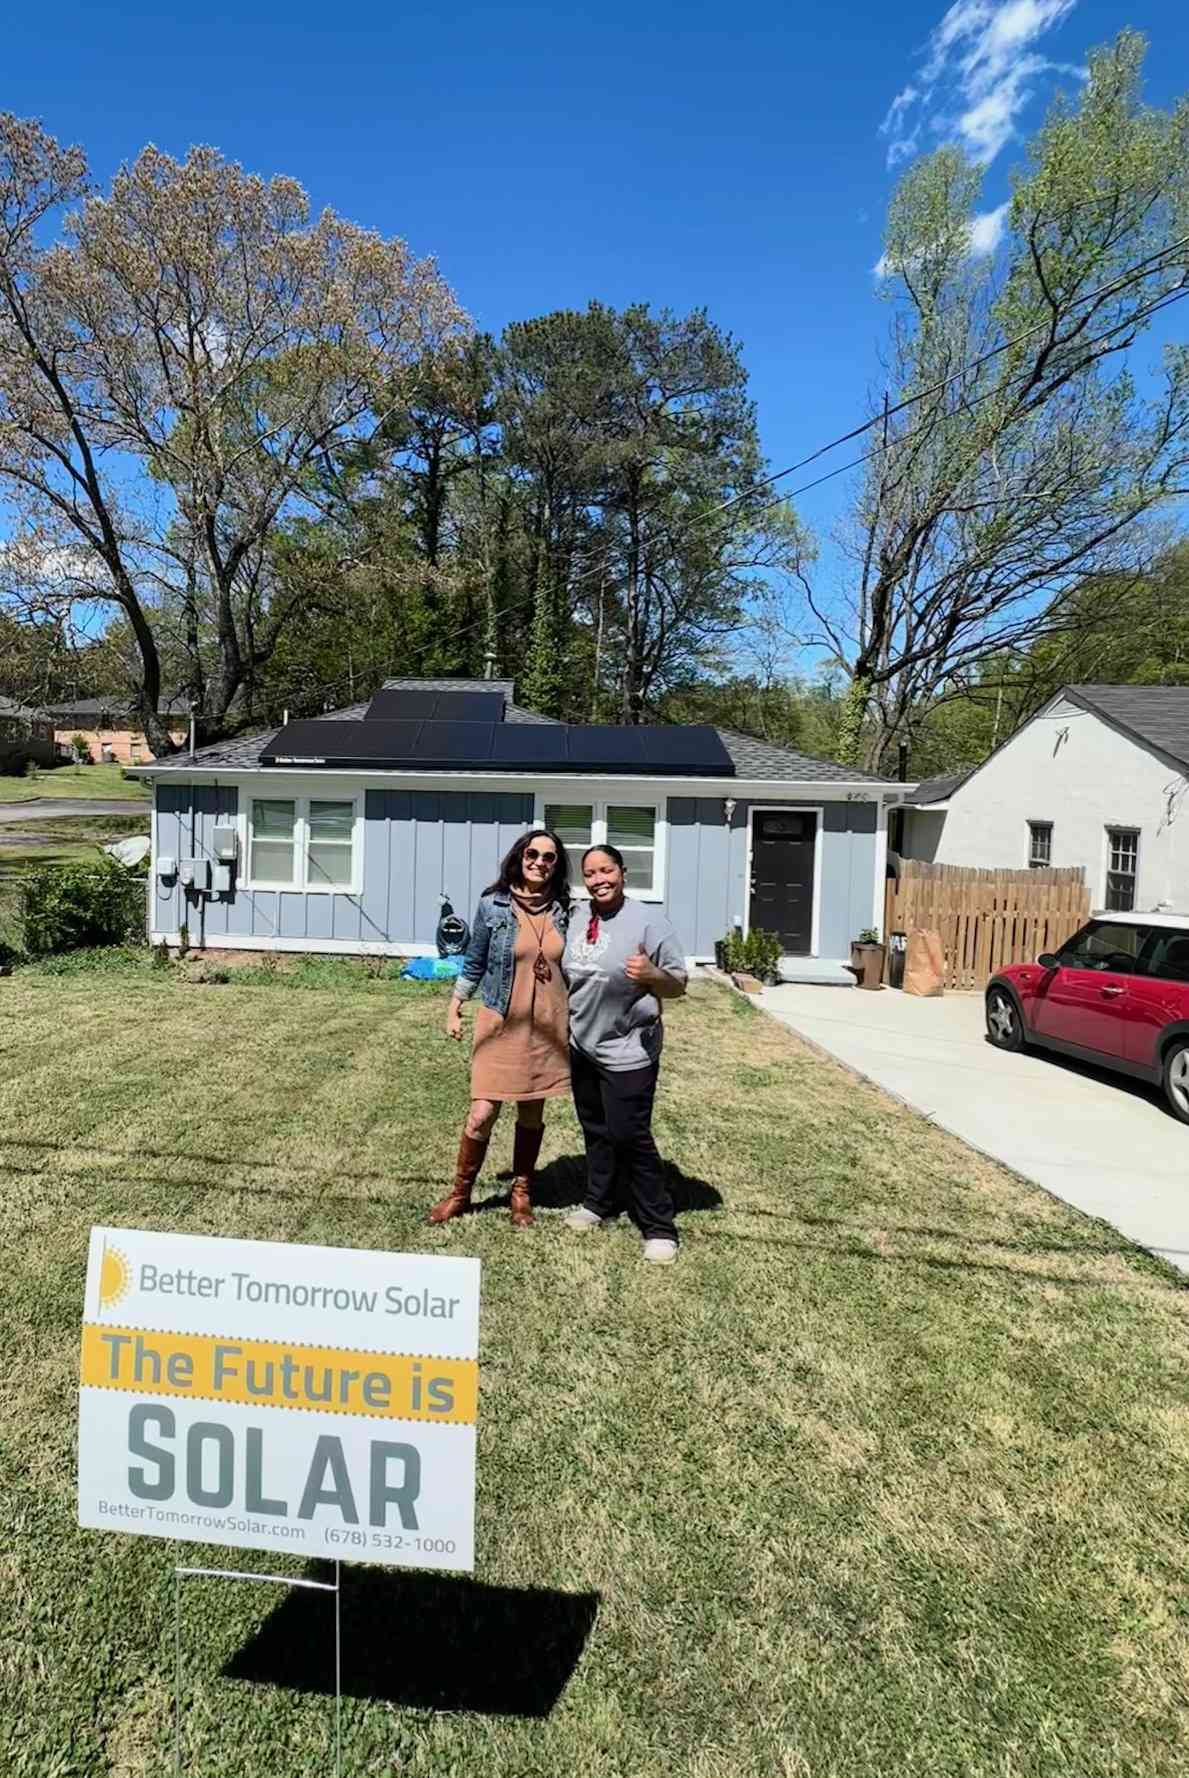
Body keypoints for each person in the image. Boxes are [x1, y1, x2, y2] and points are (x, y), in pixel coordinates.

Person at [428, 829, 571, 1228]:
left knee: (532, 1113)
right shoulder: (493, 904)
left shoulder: (564, 909)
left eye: (549, 857)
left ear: (557, 865)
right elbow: (475, 960)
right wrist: (455, 1006)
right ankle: (460, 1194)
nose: (539, 862)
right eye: (532, 854)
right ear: (519, 857)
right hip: (500, 1022)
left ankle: (521, 1193)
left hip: (547, 1026)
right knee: (481, 1113)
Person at [561, 844, 688, 1264]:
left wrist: (653, 975)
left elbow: (678, 984)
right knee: (596, 1130)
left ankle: (659, 1226)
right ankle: (599, 1202)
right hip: (583, 1043)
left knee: (630, 1135)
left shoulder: (649, 921)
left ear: (623, 872)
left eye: (607, 870)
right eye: (590, 873)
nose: (599, 879)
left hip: (629, 1047)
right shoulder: (578, 917)